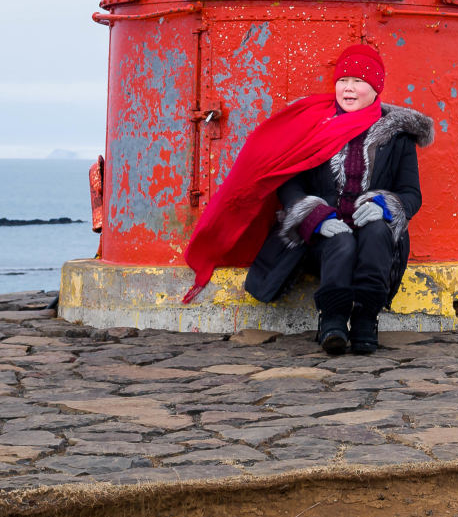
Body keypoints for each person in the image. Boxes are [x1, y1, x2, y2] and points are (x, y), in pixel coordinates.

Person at [178, 42, 430, 356]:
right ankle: (333, 320)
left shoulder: (399, 135)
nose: (347, 89)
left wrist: (385, 207)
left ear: (376, 88)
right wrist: (314, 217)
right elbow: (289, 183)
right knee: (342, 243)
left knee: (378, 232)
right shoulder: (315, 125)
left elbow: (411, 194)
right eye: (342, 81)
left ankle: (366, 319)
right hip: (321, 235)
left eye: (358, 82)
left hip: (374, 234)